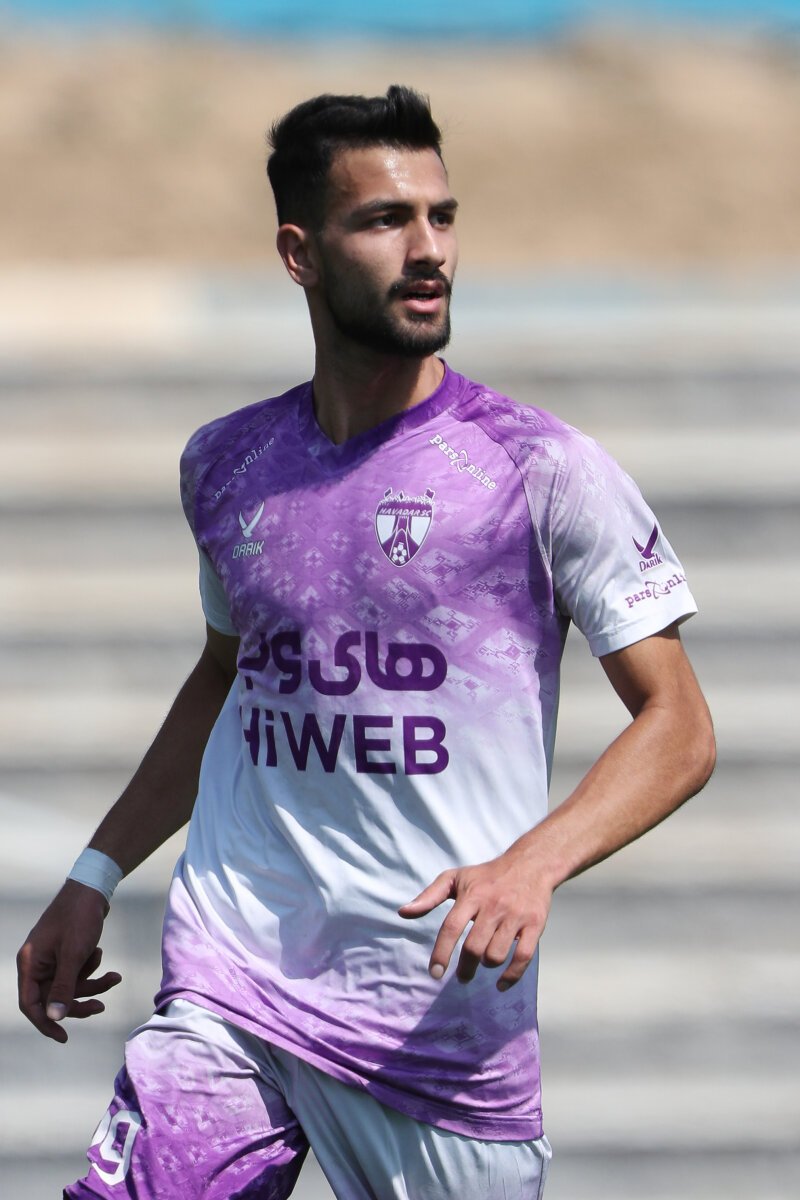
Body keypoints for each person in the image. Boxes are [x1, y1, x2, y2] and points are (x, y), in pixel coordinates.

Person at [17, 85, 715, 1200]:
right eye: (385, 220)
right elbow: (229, 674)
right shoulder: (227, 465)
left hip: (430, 1030)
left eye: (441, 216)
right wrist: (95, 875)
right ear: (300, 253)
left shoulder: (538, 469)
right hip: (232, 976)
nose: (428, 249)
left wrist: (532, 864)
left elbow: (678, 726)